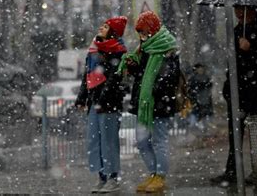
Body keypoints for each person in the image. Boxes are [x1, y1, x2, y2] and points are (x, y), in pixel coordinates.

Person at [210, 6, 257, 185]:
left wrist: (251, 48)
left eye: (241, 10)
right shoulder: (236, 31)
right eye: (236, 10)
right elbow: (232, 62)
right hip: (238, 92)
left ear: (251, 10)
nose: (238, 15)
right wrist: (228, 88)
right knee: (235, 133)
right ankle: (233, 171)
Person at [121, 11, 179, 193]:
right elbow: (142, 75)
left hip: (159, 103)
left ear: (153, 29)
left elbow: (170, 77)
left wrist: (154, 88)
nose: (142, 36)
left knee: (159, 141)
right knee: (142, 140)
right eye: (140, 32)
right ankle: (153, 173)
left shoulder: (166, 47)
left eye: (144, 31)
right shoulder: (145, 48)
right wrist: (133, 67)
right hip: (144, 103)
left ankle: (160, 176)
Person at [75, 16, 128, 193]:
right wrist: (82, 98)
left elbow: (115, 78)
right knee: (94, 140)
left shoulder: (118, 51)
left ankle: (113, 177)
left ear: (113, 31)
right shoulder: (94, 49)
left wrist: (104, 97)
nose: (101, 28)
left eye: (105, 26)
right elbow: (87, 75)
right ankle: (101, 176)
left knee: (109, 141)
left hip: (109, 104)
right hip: (94, 103)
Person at [187, 63, 213, 132]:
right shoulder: (193, 78)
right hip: (197, 100)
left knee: (204, 117)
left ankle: (203, 129)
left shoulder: (206, 77)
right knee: (195, 115)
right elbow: (191, 89)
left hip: (205, 100)